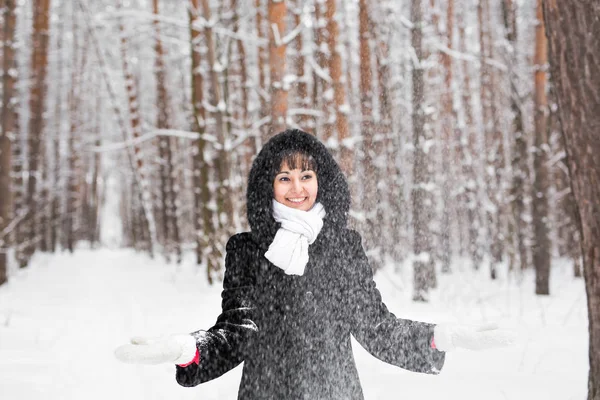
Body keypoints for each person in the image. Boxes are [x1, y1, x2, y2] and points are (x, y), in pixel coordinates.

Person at [115, 129, 514, 399]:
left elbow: (374, 326)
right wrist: (188, 349)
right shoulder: (247, 249)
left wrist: (442, 337)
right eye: (284, 178)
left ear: (321, 181)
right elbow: (238, 330)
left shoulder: (343, 246)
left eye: (306, 175)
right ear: (267, 185)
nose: (297, 188)